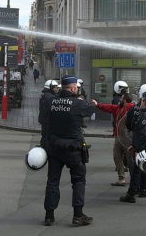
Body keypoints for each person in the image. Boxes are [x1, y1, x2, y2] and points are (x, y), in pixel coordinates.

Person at [43, 75, 93, 226]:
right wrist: (88, 102)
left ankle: (49, 216)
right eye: (76, 87)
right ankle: (78, 215)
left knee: (52, 181)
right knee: (78, 180)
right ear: (72, 88)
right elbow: (90, 109)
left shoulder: (50, 102)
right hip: (73, 149)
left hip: (54, 148)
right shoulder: (77, 104)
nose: (77, 89)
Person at [91, 94, 135, 187]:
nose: (120, 99)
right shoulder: (119, 108)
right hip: (119, 136)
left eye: (122, 98)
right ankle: (121, 178)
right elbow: (109, 107)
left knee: (130, 160)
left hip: (128, 138)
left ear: (125, 100)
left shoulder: (132, 109)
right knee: (116, 156)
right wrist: (98, 105)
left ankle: (134, 179)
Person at [39, 80, 60, 147]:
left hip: (45, 119)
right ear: (49, 87)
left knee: (45, 135)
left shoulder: (47, 95)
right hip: (47, 120)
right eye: (54, 87)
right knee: (47, 135)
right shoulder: (49, 97)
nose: (56, 89)